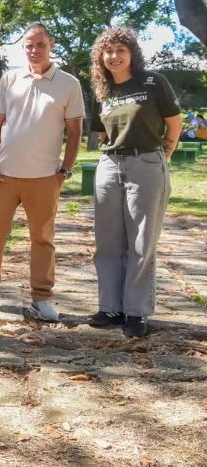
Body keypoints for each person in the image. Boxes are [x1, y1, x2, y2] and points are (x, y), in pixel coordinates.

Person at [0, 23, 85, 321]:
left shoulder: (69, 84)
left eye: (40, 44)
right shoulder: (10, 79)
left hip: (45, 177)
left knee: (43, 239)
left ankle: (42, 297)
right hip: (4, 175)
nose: (34, 50)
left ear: (51, 45)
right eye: (29, 45)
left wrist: (64, 171)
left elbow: (75, 131)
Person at [88, 27, 182, 339]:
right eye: (108, 51)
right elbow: (102, 132)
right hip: (110, 165)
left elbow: (174, 123)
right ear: (101, 57)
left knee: (141, 241)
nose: (114, 56)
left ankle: (135, 311)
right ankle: (110, 308)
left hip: (147, 163)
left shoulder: (153, 82)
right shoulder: (102, 90)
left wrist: (164, 154)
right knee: (108, 240)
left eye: (120, 50)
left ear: (132, 54)